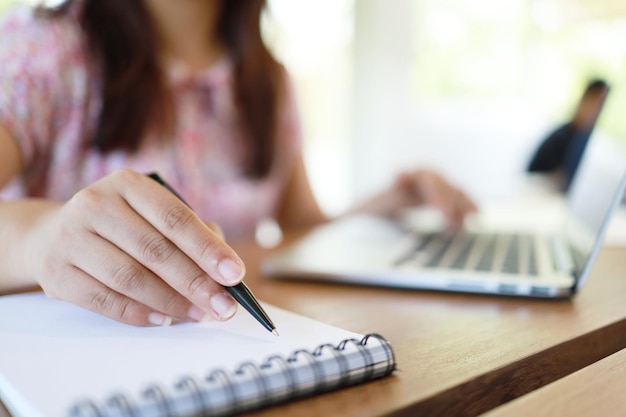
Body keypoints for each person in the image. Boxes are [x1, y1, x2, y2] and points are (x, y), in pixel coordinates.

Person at [0, 0, 476, 327]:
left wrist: (390, 203)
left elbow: (301, 225)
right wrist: (40, 236)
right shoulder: (41, 51)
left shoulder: (266, 79)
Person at [527, 78, 609, 189]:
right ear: (583, 100)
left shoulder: (587, 140)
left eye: (601, 105)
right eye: (594, 102)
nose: (596, 110)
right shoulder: (561, 137)